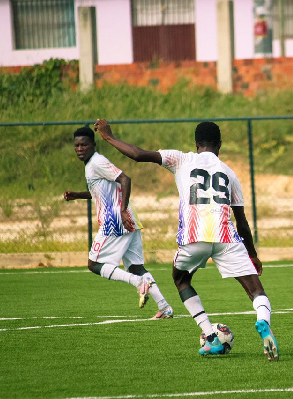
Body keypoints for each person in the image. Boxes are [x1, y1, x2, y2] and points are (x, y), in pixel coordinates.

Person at [94, 119, 279, 361]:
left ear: (196, 143)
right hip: (226, 237)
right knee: (256, 291)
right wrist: (253, 255)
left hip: (194, 237)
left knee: (181, 279)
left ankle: (210, 336)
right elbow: (242, 222)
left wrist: (109, 137)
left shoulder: (181, 158)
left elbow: (138, 155)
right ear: (219, 145)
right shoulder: (230, 174)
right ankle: (263, 322)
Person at [63, 125, 174, 319]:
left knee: (94, 264)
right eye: (77, 146)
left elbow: (125, 179)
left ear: (93, 145)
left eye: (84, 145)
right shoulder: (92, 165)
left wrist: (121, 210)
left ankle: (138, 283)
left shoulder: (97, 162)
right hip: (128, 218)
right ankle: (164, 307)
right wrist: (77, 195)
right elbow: (102, 190)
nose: (80, 149)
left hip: (115, 220)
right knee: (136, 267)